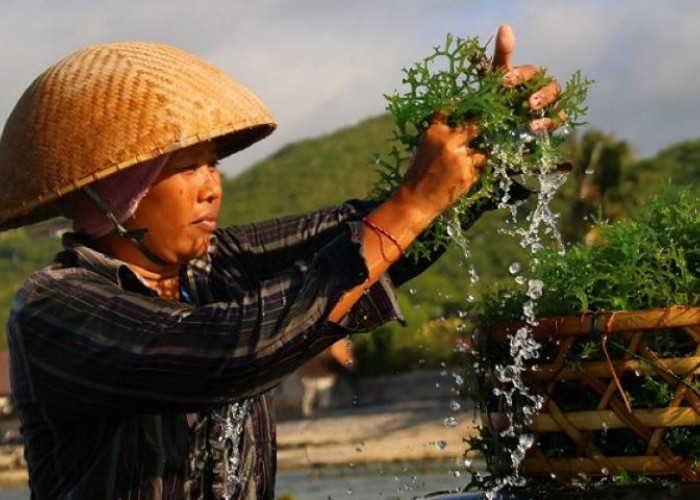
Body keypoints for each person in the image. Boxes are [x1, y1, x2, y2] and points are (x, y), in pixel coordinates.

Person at [0, 25, 563, 498]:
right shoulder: (53, 308)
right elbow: (228, 352)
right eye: (188, 165)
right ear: (115, 190)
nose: (211, 187)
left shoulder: (215, 266)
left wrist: (485, 150)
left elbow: (363, 239)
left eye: (212, 163)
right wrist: (413, 202)